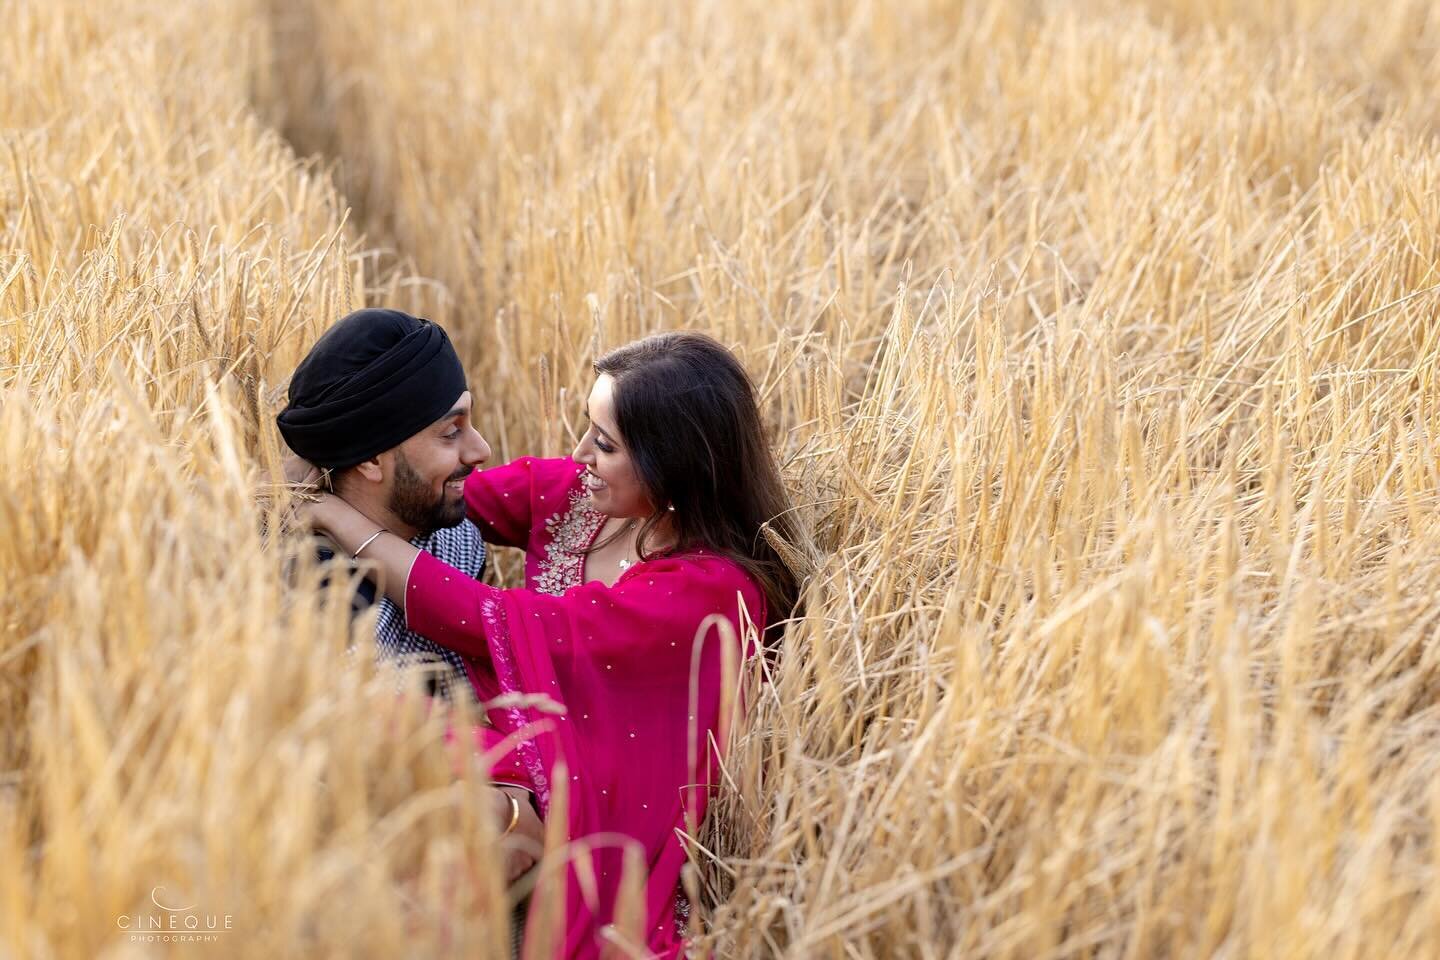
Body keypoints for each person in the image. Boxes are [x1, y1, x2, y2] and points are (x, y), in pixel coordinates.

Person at [292, 331, 801, 958]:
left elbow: (491, 618)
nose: (579, 452)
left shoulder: (709, 589)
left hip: (599, 795)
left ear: (671, 464)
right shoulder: (589, 502)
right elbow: (438, 494)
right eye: (588, 429)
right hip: (528, 746)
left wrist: (339, 520)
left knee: (450, 817)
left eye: (605, 444)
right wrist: (333, 461)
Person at [275, 307, 544, 881]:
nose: (481, 449)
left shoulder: (453, 534)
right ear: (372, 459)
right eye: (450, 432)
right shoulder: (314, 597)